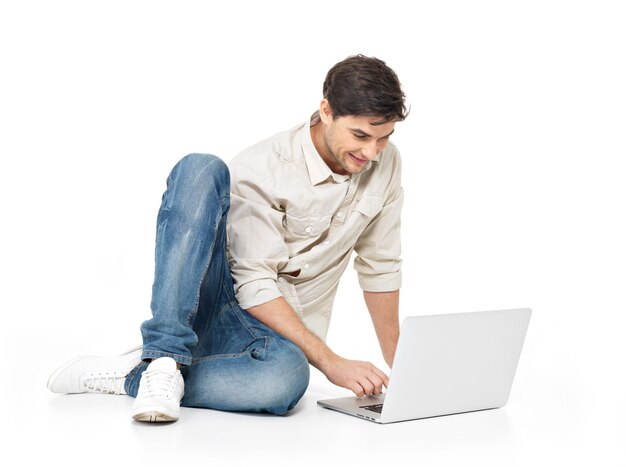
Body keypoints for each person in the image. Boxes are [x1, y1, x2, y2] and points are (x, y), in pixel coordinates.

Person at [47, 54, 408, 423]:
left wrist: (405, 371)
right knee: (201, 168)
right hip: (221, 305)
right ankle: (164, 354)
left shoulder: (385, 162)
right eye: (360, 136)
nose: (371, 152)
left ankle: (153, 375)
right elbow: (254, 285)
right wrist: (332, 362)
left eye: (384, 138)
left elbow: (380, 266)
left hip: (274, 342)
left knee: (286, 380)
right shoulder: (265, 168)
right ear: (327, 111)